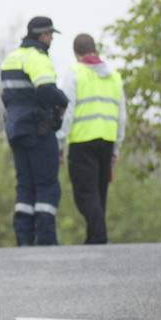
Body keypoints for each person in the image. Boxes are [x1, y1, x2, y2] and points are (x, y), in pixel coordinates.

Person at [0, 16, 69, 246]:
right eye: (50, 35)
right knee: (47, 184)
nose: (51, 39)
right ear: (43, 35)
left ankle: (23, 240)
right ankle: (47, 240)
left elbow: (9, 96)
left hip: (15, 129)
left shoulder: (11, 58)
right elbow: (46, 91)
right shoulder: (36, 57)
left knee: (25, 185)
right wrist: (63, 100)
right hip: (38, 129)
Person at [59, 33, 127, 244]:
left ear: (76, 52)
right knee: (99, 192)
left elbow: (67, 111)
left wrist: (59, 141)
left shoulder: (75, 73)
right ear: (94, 49)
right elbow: (122, 115)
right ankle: (94, 237)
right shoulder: (115, 76)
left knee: (85, 193)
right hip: (106, 141)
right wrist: (116, 146)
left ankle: (98, 237)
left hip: (82, 141)